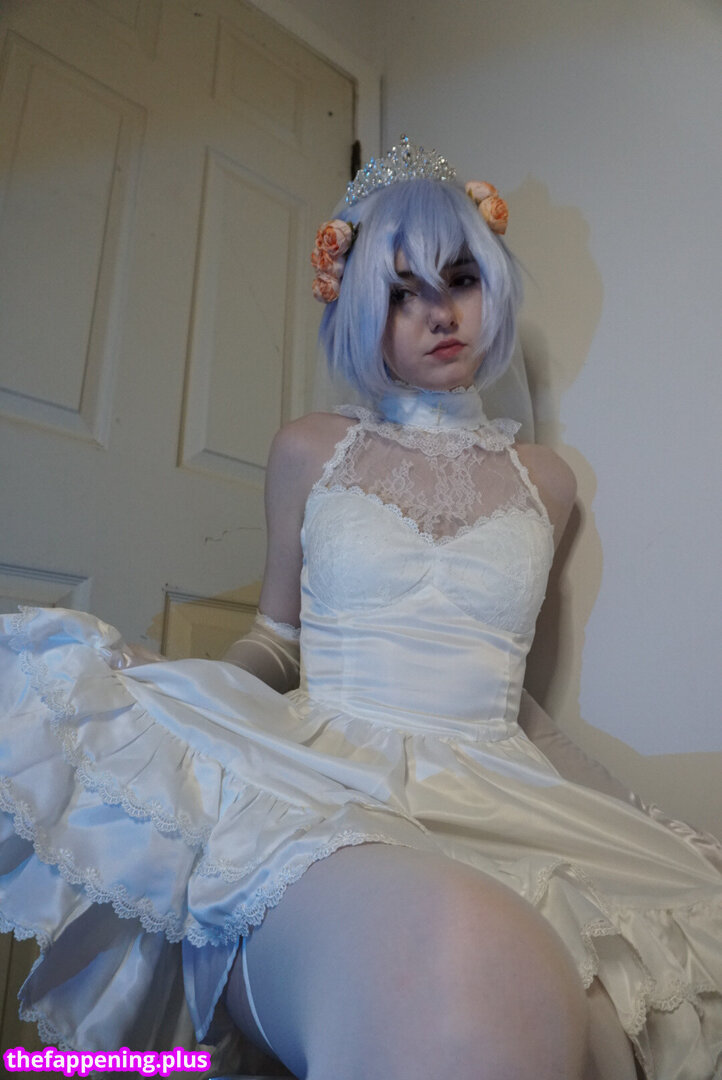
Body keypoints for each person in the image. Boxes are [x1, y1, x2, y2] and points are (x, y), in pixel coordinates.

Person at [0, 137, 721, 1080]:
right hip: (329, 766)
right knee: (454, 974)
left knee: (609, 991)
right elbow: (275, 642)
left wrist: (642, 816)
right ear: (355, 308)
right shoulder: (309, 448)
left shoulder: (547, 480)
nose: (438, 312)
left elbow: (513, 699)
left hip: (499, 782)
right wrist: (176, 690)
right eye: (400, 291)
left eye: (460, 279)